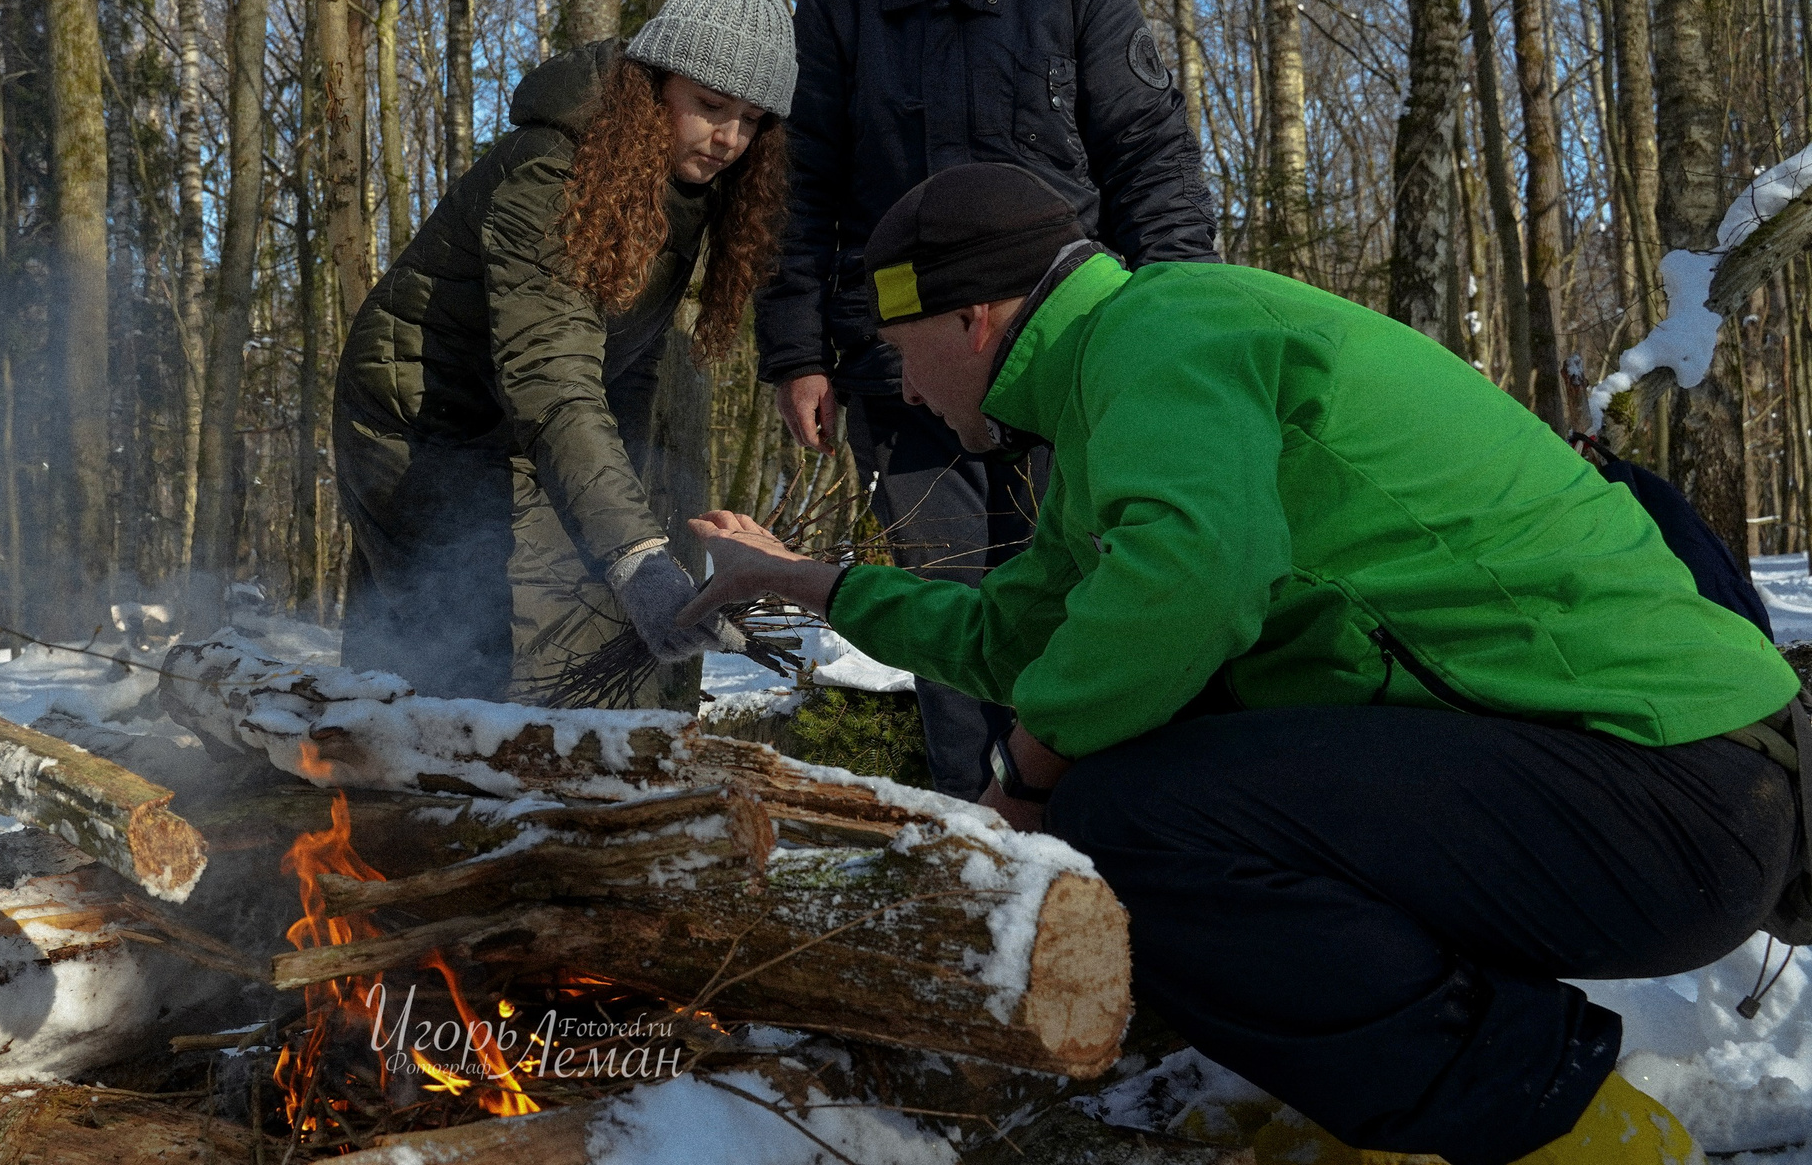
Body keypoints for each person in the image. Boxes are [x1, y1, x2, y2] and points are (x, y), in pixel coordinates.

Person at [681, 162, 1804, 1163]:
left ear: (972, 318)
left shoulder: (1161, 336)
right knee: (1148, 766)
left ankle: (1545, 1124)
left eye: (898, 349)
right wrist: (805, 580)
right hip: (1646, 790)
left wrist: (1018, 785)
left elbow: (1190, 585)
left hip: (1670, 792)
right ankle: (1393, 1090)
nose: (902, 385)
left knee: (1132, 808)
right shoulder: (1114, 388)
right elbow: (1019, 640)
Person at [760, 0, 1220, 796]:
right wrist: (796, 352)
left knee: (1082, 599)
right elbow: (796, 195)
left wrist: (1179, 314)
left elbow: (1150, 156)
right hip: (902, 377)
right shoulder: (835, 10)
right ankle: (975, 838)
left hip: (1070, 372)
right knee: (946, 611)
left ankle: (1090, 827)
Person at [334, 0, 794, 701]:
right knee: (451, 636)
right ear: (654, 85)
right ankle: (409, 800)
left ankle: (358, 774)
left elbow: (625, 359)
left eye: (753, 119)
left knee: (417, 642)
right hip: (414, 409)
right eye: (710, 106)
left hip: (502, 416)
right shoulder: (555, 173)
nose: (731, 138)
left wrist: (627, 522)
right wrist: (634, 551)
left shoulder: (680, 188)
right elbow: (553, 374)